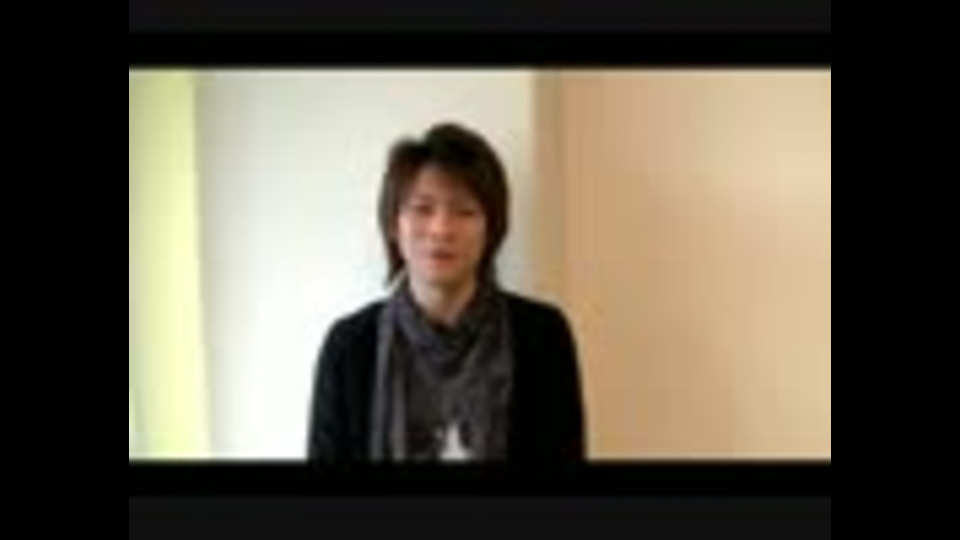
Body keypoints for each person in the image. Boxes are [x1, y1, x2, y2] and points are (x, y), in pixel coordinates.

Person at [307, 122, 585, 462]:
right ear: (394, 223)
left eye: (464, 211)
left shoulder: (543, 336)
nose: (441, 229)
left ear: (491, 229)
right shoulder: (349, 346)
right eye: (422, 209)